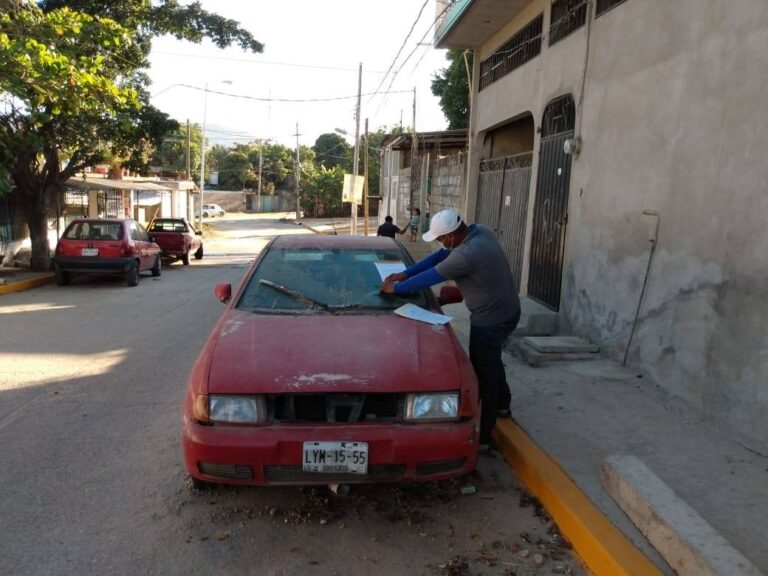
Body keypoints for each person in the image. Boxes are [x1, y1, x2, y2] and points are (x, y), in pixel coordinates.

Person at [380, 208, 521, 448]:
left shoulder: (466, 255)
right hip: (509, 310)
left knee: (483, 374)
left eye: (440, 238)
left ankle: (485, 436)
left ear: (452, 235)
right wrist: (404, 274)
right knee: (492, 360)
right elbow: (438, 258)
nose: (438, 242)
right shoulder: (479, 233)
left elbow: (432, 276)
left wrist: (398, 289)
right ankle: (503, 404)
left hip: (490, 319)